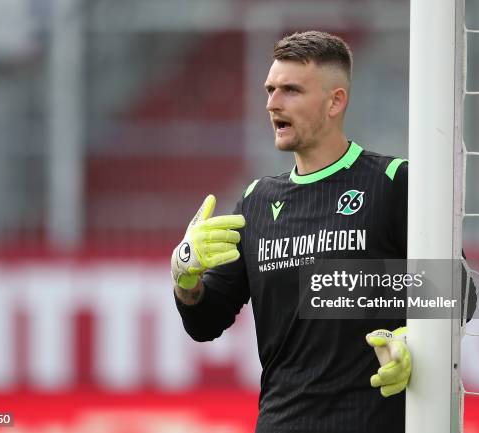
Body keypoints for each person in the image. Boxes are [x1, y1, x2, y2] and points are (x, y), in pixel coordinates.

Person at [170, 31, 418, 433]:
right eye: (270, 90)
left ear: (336, 101)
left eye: (291, 90)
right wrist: (185, 277)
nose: (272, 103)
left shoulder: (392, 181)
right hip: (280, 422)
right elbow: (205, 322)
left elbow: (461, 292)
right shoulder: (256, 200)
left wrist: (413, 338)